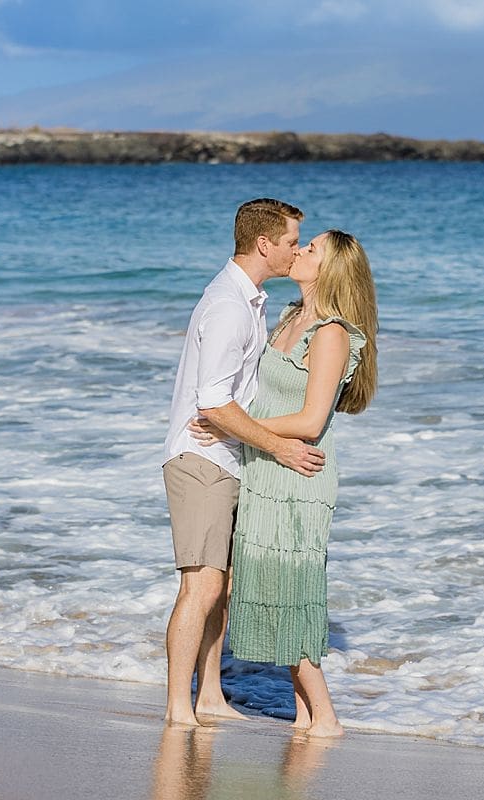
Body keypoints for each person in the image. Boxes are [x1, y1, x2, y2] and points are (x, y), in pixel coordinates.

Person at [192, 229, 378, 737]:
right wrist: (238, 426)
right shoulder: (291, 318)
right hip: (265, 469)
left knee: (291, 589)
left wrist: (228, 422)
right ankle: (304, 716)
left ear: (331, 269)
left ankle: (328, 719)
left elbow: (311, 420)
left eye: (310, 249)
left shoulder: (332, 334)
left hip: (299, 471)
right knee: (268, 585)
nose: (299, 252)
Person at [162, 198, 327, 728]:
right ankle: (177, 708)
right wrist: (279, 446)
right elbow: (212, 402)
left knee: (223, 586)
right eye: (289, 242)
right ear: (263, 244)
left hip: (230, 458)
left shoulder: (249, 301)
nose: (294, 250)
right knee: (201, 586)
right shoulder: (229, 306)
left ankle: (210, 695)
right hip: (203, 459)